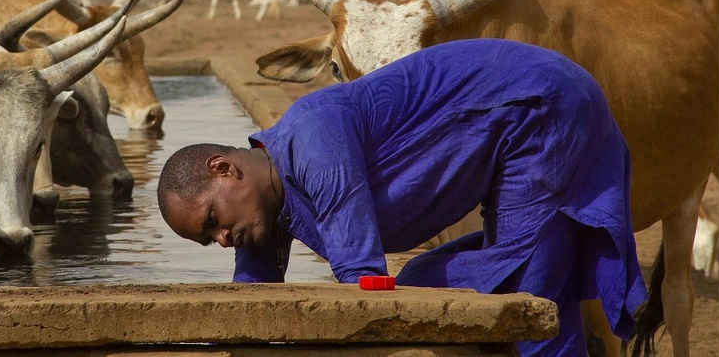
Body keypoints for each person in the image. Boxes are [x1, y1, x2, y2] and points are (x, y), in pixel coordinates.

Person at [157, 38, 647, 356]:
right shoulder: (260, 209)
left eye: (212, 220)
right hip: (524, 118)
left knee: (531, 296)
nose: (222, 239)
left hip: (539, 108)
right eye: (209, 240)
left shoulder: (310, 140)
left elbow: (363, 285)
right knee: (430, 278)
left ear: (224, 169)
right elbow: (249, 309)